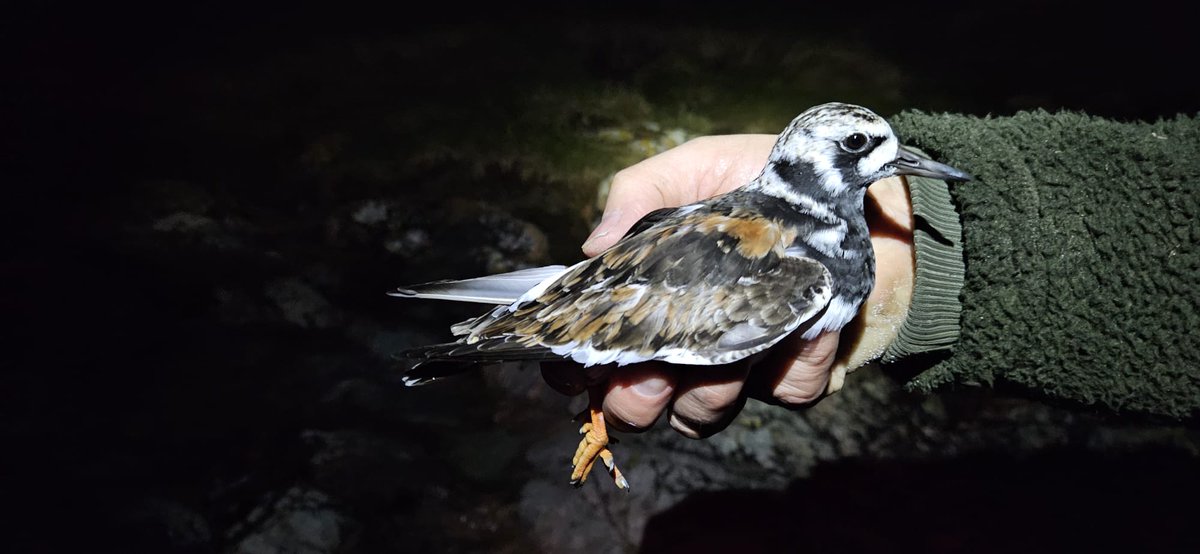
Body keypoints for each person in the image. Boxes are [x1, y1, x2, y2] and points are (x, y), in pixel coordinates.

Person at [542, 110, 1200, 435]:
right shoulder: (788, 268)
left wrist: (922, 253)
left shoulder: (810, 257)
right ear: (802, 161)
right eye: (860, 145)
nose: (901, 157)